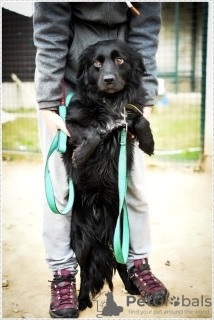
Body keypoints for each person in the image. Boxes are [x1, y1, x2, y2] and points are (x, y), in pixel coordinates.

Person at [33, 2, 168, 318]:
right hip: (68, 87)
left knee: (134, 188)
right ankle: (63, 274)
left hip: (125, 94)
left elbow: (146, 33)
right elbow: (50, 29)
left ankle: (137, 264)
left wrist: (144, 100)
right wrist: (48, 99)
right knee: (62, 191)